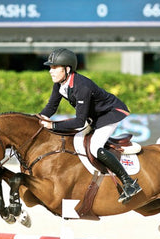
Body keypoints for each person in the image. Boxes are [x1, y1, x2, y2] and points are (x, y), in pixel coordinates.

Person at [38, 48, 141, 204]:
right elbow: (51, 107)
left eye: (54, 67)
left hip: (111, 113)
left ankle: (128, 183)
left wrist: (52, 126)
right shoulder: (60, 83)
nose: (50, 71)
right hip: (95, 116)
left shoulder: (82, 86)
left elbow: (79, 121)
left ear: (67, 69)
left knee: (94, 147)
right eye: (50, 67)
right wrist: (38, 119)